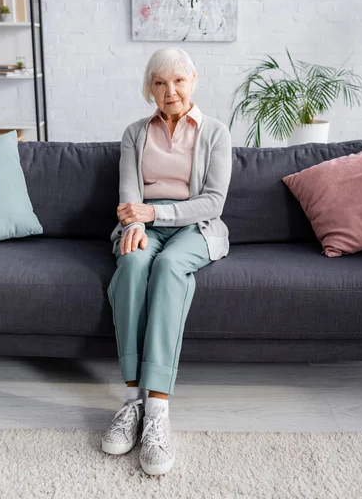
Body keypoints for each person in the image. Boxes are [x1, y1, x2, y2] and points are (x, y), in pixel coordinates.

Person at [101, 47, 232, 476]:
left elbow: (212, 201)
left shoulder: (215, 132)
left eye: (178, 81)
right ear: (150, 89)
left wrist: (153, 214)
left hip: (195, 227)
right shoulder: (135, 133)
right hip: (142, 223)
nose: (169, 90)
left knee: (169, 267)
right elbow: (128, 192)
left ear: (192, 82)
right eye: (159, 83)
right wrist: (134, 223)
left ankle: (157, 412)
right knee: (134, 265)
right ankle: (132, 401)